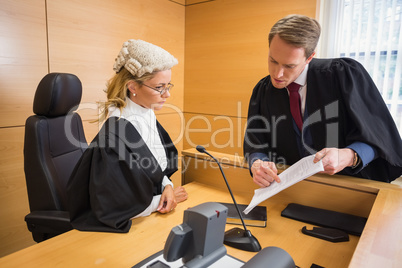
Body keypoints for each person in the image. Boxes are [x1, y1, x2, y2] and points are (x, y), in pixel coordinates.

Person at [243, 14, 402, 188]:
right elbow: (255, 143)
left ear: (309, 58)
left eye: (289, 66)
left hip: (351, 189)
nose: (277, 74)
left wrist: (349, 156)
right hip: (293, 190)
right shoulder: (263, 90)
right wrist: (258, 163)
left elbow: (381, 140)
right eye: (273, 60)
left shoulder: (343, 75)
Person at [67, 39, 188, 233]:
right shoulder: (115, 136)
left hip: (150, 220)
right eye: (159, 87)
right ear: (133, 87)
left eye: (168, 86)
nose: (167, 95)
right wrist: (160, 199)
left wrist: (167, 186)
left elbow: (155, 168)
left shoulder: (146, 112)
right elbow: (113, 207)